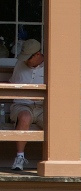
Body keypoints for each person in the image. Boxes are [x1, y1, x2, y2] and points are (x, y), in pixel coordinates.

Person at [8, 39, 44, 172]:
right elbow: (13, 85)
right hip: (22, 105)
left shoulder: (51, 65)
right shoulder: (20, 64)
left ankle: (54, 159)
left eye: (28, 58)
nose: (26, 61)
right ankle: (19, 157)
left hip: (43, 108)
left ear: (38, 55)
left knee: (55, 122)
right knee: (24, 117)